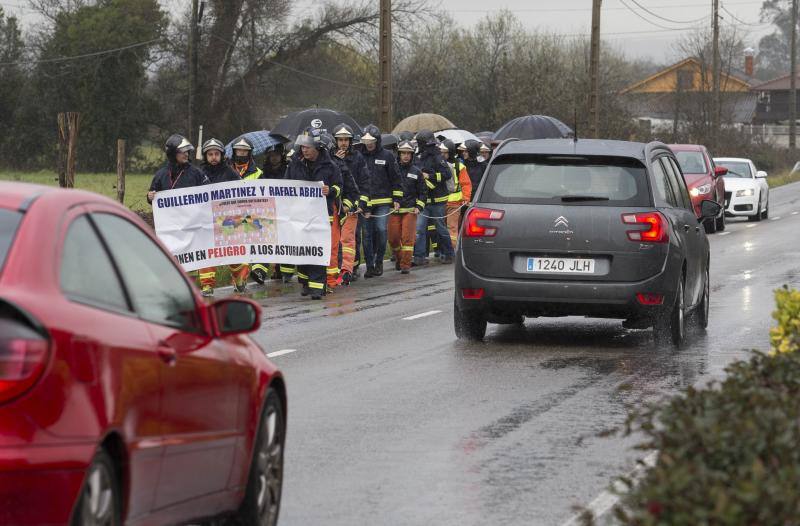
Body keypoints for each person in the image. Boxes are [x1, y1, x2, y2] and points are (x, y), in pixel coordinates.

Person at [285, 129, 342, 300]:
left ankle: (318, 287)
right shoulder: (294, 164)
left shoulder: (330, 166)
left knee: (317, 249)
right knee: (303, 250)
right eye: (302, 147)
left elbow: (340, 186)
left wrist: (330, 190)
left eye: (308, 147)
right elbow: (285, 186)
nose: (304, 150)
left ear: (317, 147)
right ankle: (306, 282)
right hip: (300, 215)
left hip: (322, 216)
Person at [197, 138, 241, 296]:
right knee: (207, 252)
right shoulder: (199, 173)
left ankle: (239, 279)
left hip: (227, 219)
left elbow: (242, 191)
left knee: (233, 250)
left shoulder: (230, 172)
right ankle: (207, 285)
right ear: (205, 156)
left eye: (216, 154)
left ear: (222, 155)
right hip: (206, 219)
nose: (213, 157)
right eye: (210, 154)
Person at [361, 124, 402, 278]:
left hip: (383, 201)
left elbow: (396, 178)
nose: (368, 143)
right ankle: (370, 266)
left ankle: (379, 262)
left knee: (381, 230)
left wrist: (397, 198)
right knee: (367, 235)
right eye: (366, 140)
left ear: (377, 140)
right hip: (365, 203)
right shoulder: (360, 156)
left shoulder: (387, 156)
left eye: (371, 140)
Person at [332, 123, 369, 285]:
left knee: (351, 237)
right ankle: (341, 268)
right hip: (335, 204)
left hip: (353, 203)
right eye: (340, 140)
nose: (343, 143)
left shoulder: (358, 158)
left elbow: (365, 182)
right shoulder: (329, 156)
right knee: (337, 239)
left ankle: (350, 269)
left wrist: (362, 203)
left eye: (346, 140)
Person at [321, 132, 358, 292]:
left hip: (339, 211)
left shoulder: (338, 165)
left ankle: (342, 273)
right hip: (316, 213)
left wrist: (347, 206)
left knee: (339, 243)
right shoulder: (305, 165)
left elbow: (352, 188)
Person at [225, 136, 263, 292]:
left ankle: (242, 279)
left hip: (250, 216)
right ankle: (236, 278)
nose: (241, 153)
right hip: (229, 215)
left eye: (244, 151)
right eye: (238, 150)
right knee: (232, 250)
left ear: (250, 153)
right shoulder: (226, 170)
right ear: (234, 152)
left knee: (247, 249)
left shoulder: (259, 173)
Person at [413, 130, 453, 266]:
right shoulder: (419, 157)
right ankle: (419, 257)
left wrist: (430, 176)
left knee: (441, 228)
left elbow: (447, 174)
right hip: (424, 201)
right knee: (419, 229)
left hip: (437, 201)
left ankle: (448, 254)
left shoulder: (438, 156)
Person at [253, 142, 290, 284]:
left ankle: (282, 270)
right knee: (267, 240)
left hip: (286, 211)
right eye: (271, 155)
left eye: (276, 155)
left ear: (282, 156)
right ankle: (260, 271)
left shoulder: (289, 170)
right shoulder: (263, 173)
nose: (274, 158)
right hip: (268, 211)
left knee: (285, 241)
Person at [388, 141, 427, 274]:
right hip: (395, 209)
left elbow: (423, 192)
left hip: (410, 210)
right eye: (403, 153)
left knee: (407, 238)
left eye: (408, 153)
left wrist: (419, 207)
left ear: (412, 155)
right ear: (399, 154)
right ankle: (399, 258)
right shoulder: (392, 170)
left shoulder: (416, 172)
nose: (405, 156)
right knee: (393, 238)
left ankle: (405, 265)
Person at [147, 134, 208, 203]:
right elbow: (153, 199)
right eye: (183, 151)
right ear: (172, 154)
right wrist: (150, 197)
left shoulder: (197, 173)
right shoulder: (160, 175)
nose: (186, 154)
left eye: (187, 151)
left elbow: (209, 194)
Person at [443, 139, 472, 255]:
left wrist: (466, 198)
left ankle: (452, 251)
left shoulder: (459, 167)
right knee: (442, 229)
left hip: (454, 203)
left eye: (444, 152)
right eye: (441, 152)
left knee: (452, 228)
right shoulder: (438, 164)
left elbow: (466, 184)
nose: (442, 154)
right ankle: (444, 250)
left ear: (450, 152)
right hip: (440, 202)